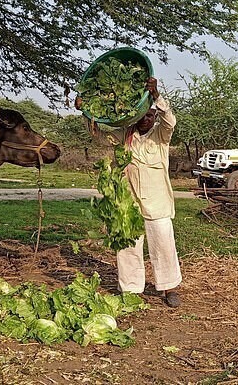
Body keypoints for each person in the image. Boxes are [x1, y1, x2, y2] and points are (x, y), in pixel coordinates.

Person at [76, 77, 183, 308]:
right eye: (143, 115)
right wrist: (85, 112)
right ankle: (131, 289)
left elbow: (170, 122)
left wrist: (156, 96)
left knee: (163, 244)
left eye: (150, 115)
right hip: (128, 201)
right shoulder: (124, 135)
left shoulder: (160, 136)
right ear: (136, 115)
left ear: (154, 117)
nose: (146, 119)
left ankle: (169, 287)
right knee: (128, 245)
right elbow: (98, 135)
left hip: (158, 202)